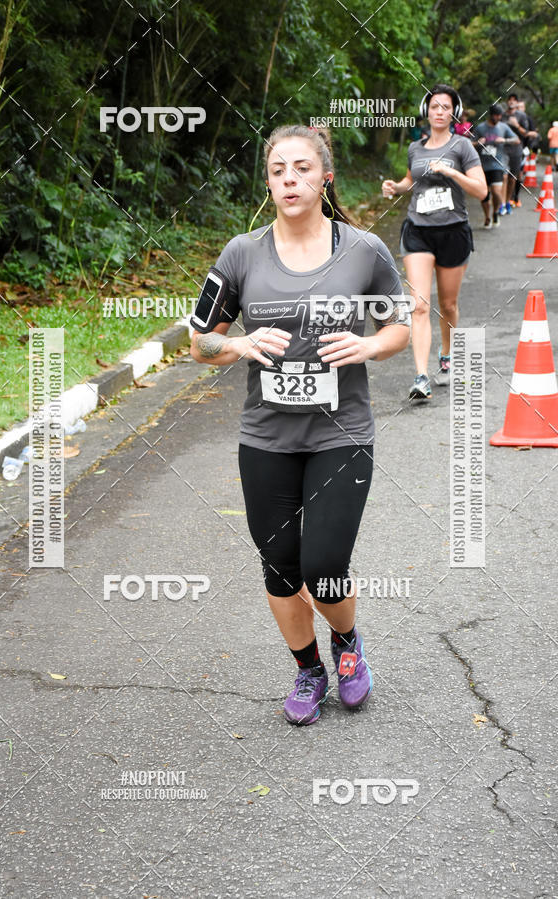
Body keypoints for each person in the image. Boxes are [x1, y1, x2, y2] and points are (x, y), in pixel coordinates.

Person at [190, 124, 410, 726]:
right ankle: (309, 668)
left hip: (342, 432)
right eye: (279, 170)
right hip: (266, 438)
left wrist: (368, 349)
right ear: (268, 182)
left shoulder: (363, 250)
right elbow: (199, 342)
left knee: (324, 567)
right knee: (281, 569)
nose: (291, 178)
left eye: (302, 168)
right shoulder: (241, 253)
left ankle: (347, 644)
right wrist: (238, 345)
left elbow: (400, 326)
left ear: (325, 176)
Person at [381, 83, 487, 401]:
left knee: (448, 304)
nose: (439, 112)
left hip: (453, 232)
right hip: (418, 231)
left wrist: (451, 172)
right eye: (434, 106)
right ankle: (421, 376)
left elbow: (480, 191)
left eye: (445, 107)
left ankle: (447, 352)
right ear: (426, 110)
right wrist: (396, 188)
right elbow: (412, 180)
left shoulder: (463, 147)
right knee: (420, 305)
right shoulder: (417, 148)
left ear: (454, 112)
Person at [472, 104, 520, 228]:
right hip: (482, 165)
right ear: (491, 115)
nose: (499, 117)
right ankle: (487, 216)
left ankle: (496, 211)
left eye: (500, 115)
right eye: (497, 115)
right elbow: (469, 144)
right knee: (484, 194)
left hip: (498, 164)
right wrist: (477, 143)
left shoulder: (503, 127)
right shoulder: (481, 128)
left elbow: (517, 140)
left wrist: (505, 140)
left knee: (496, 191)